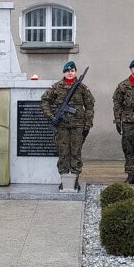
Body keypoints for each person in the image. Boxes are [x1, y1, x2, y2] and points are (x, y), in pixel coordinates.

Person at [41, 61, 95, 190]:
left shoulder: (82, 88)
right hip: (62, 126)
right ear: (64, 72)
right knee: (63, 153)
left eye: (72, 71)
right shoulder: (56, 87)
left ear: (75, 72)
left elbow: (90, 106)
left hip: (78, 125)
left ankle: (74, 180)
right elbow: (44, 101)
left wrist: (88, 124)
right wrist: (51, 116)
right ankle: (65, 180)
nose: (70, 73)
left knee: (76, 153)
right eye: (67, 71)